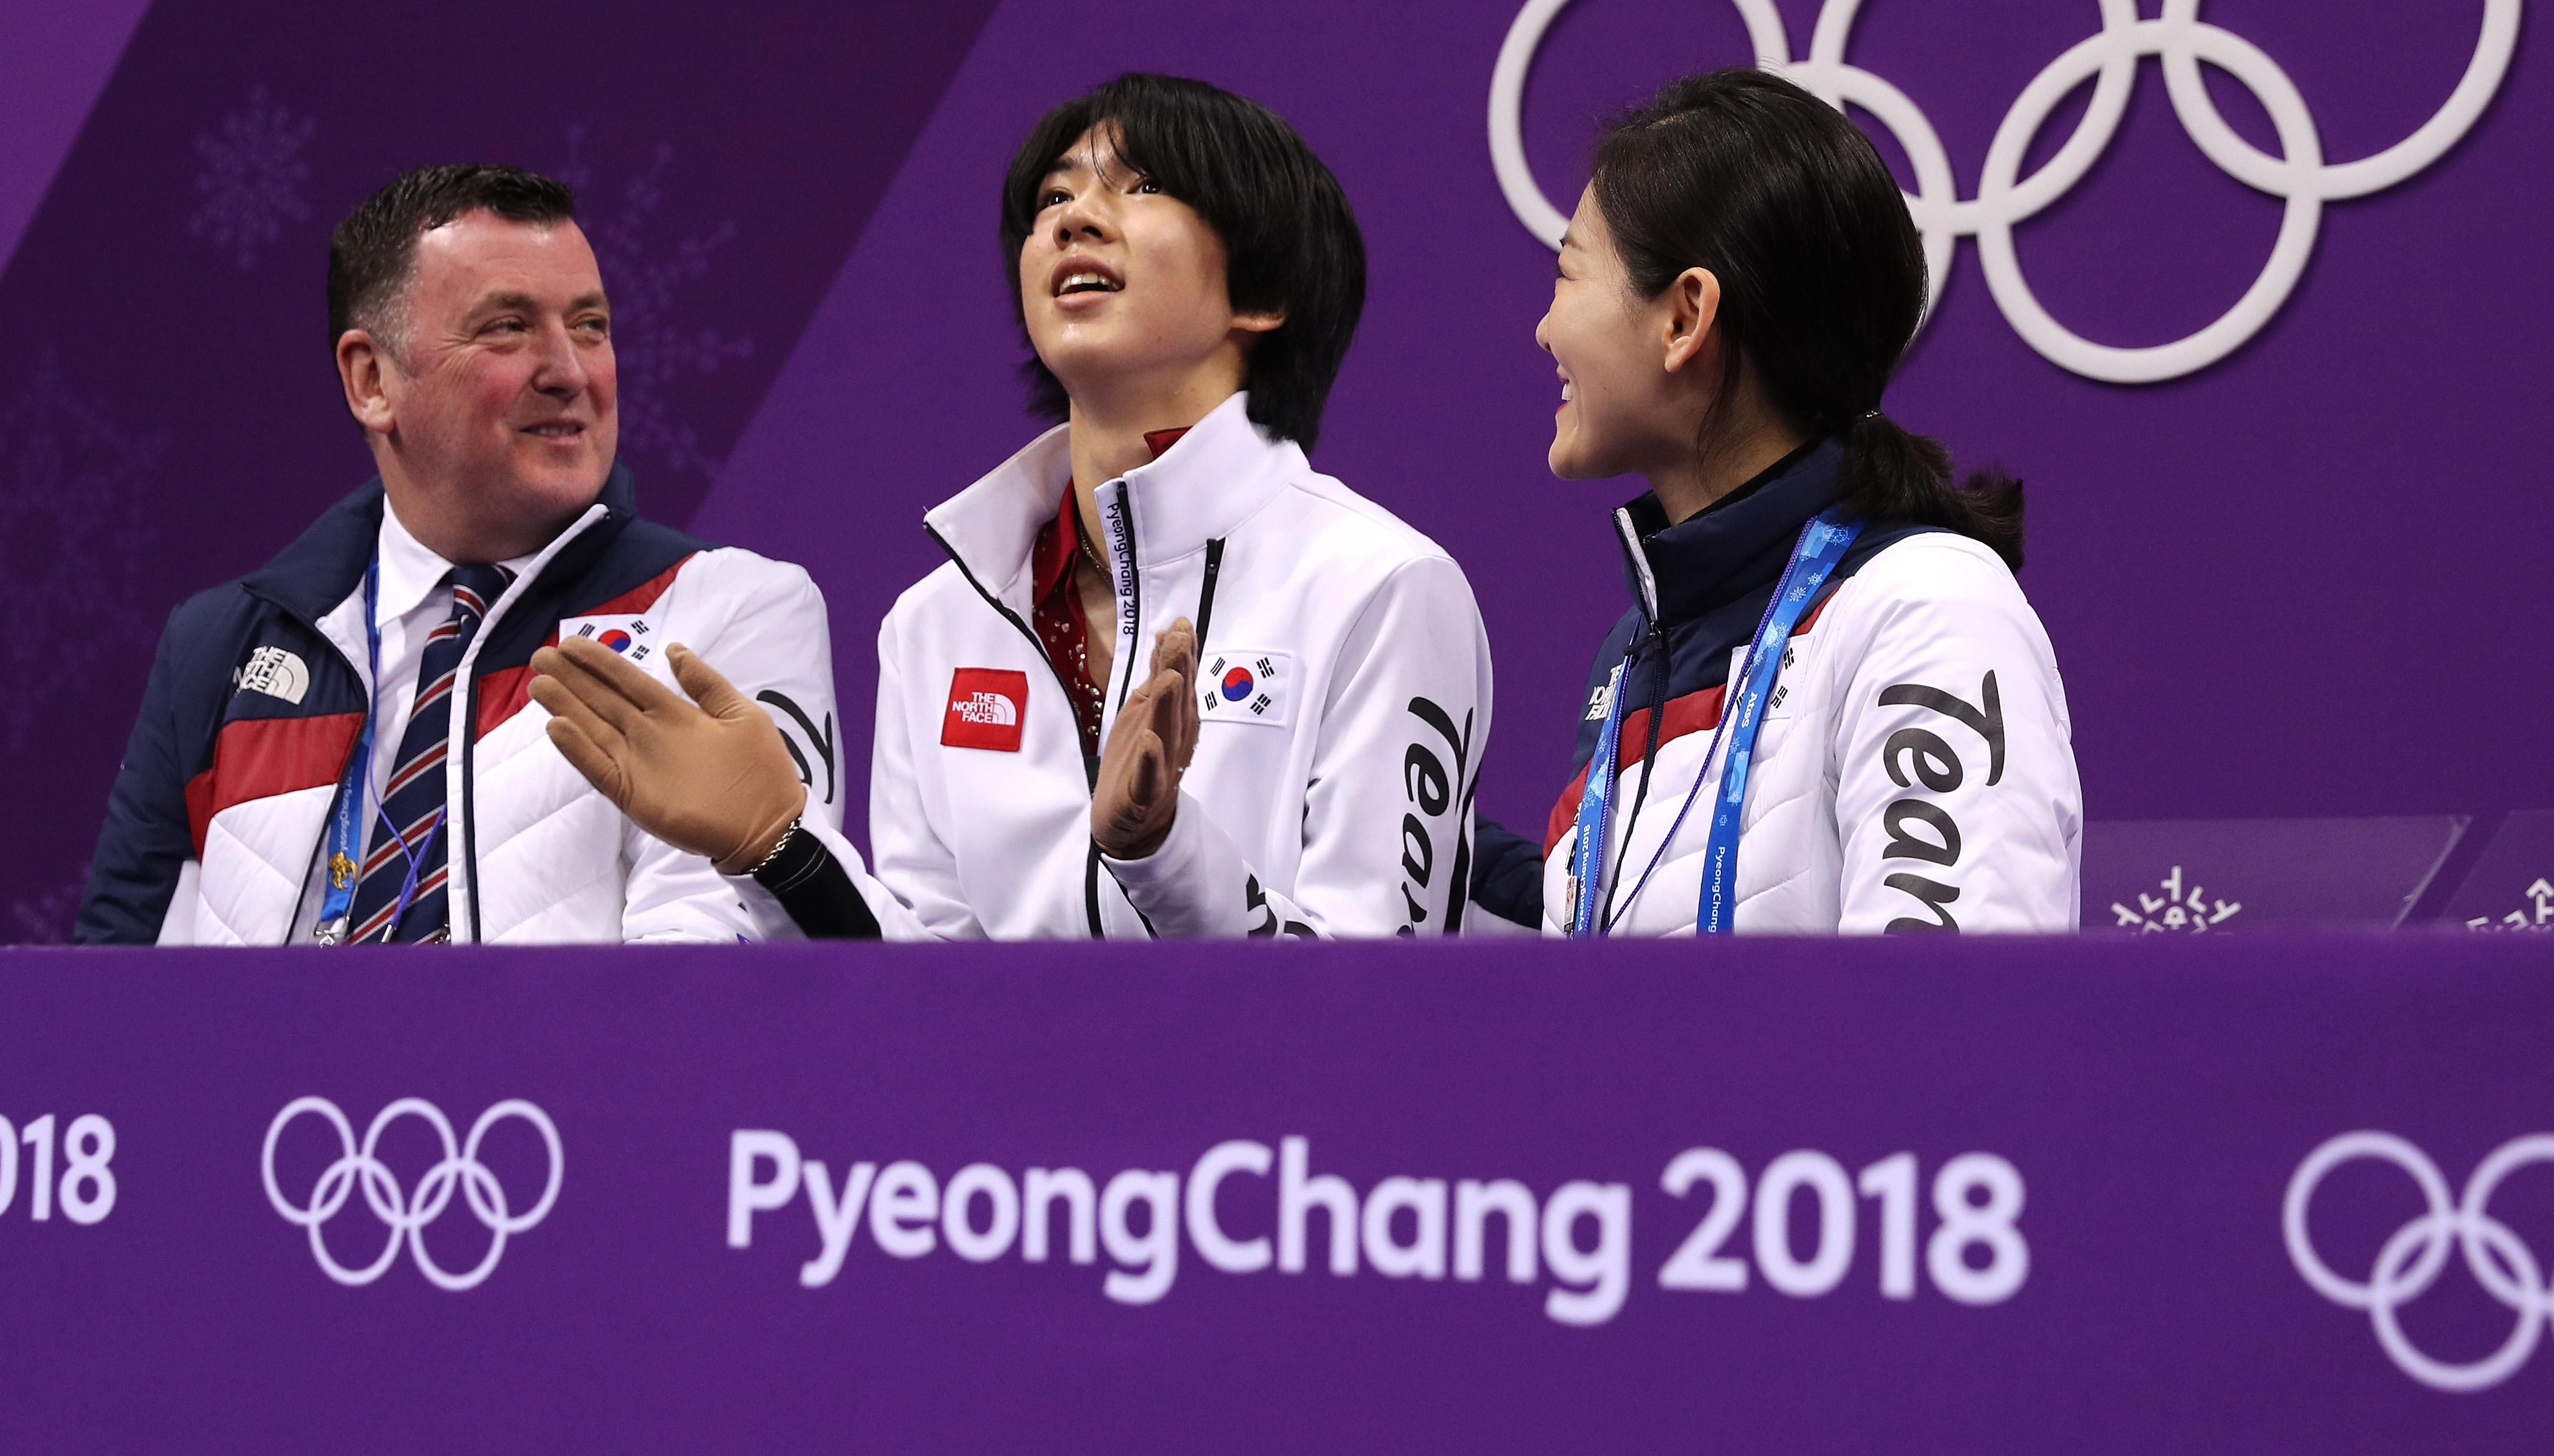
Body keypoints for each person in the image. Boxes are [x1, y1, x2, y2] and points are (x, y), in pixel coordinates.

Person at [531, 73, 1494, 938]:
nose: (1077, 220)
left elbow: (1376, 1005)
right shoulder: (935, 624)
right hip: (1002, 1101)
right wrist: (778, 845)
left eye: (1143, 186)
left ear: (1265, 289)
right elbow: (928, 999)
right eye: (1054, 198)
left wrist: (1163, 851)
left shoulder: (1382, 588)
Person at [75, 164, 844, 945]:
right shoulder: (220, 647)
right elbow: (106, 997)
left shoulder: (722, 613)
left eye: (590, 325)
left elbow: (713, 985)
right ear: (372, 380)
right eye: (507, 327)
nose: (570, 371)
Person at [1468, 68, 2080, 936]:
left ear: (1685, 317)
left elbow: (1951, 1002)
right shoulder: (1636, 649)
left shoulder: (1929, 607)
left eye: (1569, 274)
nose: (1544, 328)